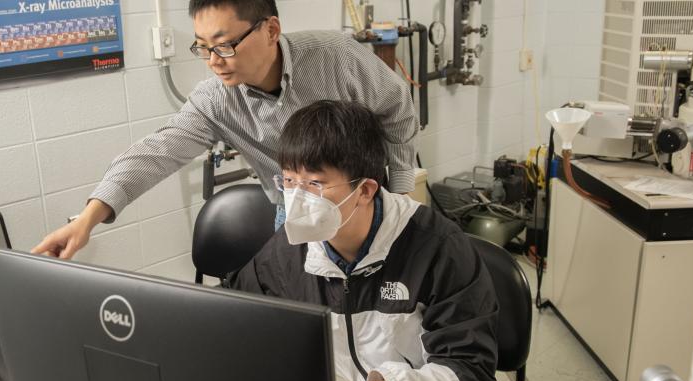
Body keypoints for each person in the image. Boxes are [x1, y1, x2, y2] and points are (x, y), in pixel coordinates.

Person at [228, 100, 544, 381]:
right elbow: (235, 326)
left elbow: (468, 375)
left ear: (365, 190)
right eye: (289, 181)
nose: (297, 198)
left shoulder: (436, 247)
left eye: (314, 184)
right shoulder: (289, 250)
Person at [32, 0, 418, 259]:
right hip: (291, 211)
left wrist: (400, 195)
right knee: (303, 309)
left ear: (270, 30)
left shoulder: (335, 57)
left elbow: (398, 108)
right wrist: (87, 220)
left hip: (365, 201)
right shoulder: (216, 100)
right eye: (202, 47)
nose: (214, 61)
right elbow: (155, 153)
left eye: (225, 45)